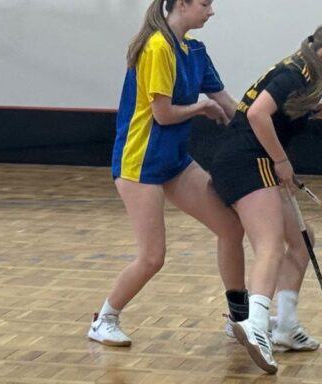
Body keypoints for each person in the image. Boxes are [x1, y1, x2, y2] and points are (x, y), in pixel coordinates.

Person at [88, 0, 247, 347]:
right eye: (205, 3)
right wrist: (201, 107)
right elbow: (163, 114)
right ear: (182, 4)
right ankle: (104, 320)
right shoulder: (157, 47)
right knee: (152, 257)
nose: (211, 11)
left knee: (231, 227)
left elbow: (227, 102)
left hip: (175, 161)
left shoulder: (195, 50)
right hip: (140, 163)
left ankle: (240, 320)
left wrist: (268, 125)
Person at [210, 20, 322, 373]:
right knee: (271, 246)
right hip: (247, 162)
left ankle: (287, 326)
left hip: (249, 160)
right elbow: (257, 113)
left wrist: (310, 111)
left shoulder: (304, 70)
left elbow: (275, 113)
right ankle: (256, 325)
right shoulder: (295, 73)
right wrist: (281, 161)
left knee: (302, 241)